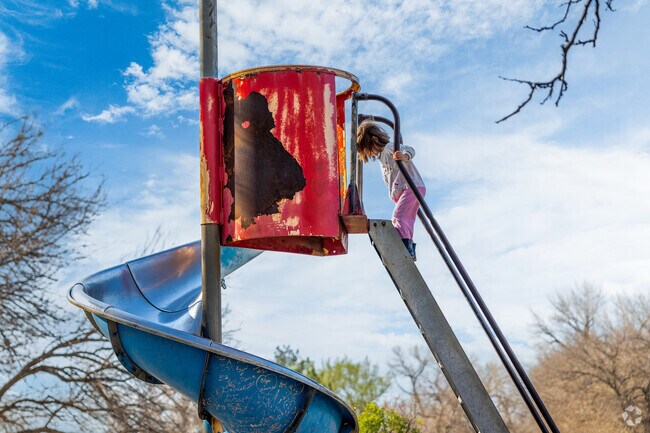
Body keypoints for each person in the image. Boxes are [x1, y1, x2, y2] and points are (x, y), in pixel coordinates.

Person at [357, 121, 426, 260]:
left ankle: (404, 246)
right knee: (406, 219)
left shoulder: (389, 148)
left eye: (369, 149)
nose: (371, 154)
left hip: (411, 187)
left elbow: (409, 148)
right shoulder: (381, 159)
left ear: (374, 140)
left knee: (398, 216)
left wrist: (405, 155)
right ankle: (409, 247)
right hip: (406, 191)